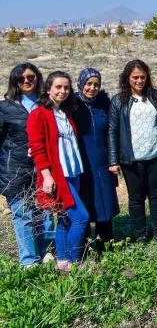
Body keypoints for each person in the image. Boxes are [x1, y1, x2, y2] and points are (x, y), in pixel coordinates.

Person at [108, 60, 157, 246]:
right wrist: (113, 160)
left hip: (156, 155)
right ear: (127, 78)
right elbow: (113, 131)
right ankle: (140, 234)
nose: (139, 81)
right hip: (131, 159)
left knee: (156, 195)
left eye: (142, 77)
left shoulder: (155, 96)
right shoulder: (118, 101)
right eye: (135, 77)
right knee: (136, 198)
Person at [27, 71, 89, 271]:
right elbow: (37, 148)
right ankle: (74, 261)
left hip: (73, 171)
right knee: (81, 217)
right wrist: (46, 176)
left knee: (64, 219)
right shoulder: (38, 114)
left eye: (66, 87)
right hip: (58, 175)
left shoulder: (65, 113)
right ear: (48, 89)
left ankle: (62, 261)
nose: (63, 91)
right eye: (58, 87)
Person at [0, 63, 54, 267]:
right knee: (23, 215)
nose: (26, 81)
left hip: (43, 169)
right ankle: (29, 260)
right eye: (21, 78)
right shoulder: (5, 107)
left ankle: (46, 252)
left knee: (46, 212)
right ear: (14, 81)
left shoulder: (46, 103)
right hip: (14, 170)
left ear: (37, 77)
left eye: (30, 77)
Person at [73, 68, 119, 254]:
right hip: (81, 164)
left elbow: (112, 133)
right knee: (83, 204)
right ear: (81, 84)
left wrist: (113, 160)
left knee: (104, 203)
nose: (92, 88)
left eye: (96, 84)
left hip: (102, 163)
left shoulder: (104, 104)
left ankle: (105, 246)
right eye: (88, 84)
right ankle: (83, 247)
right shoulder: (72, 105)